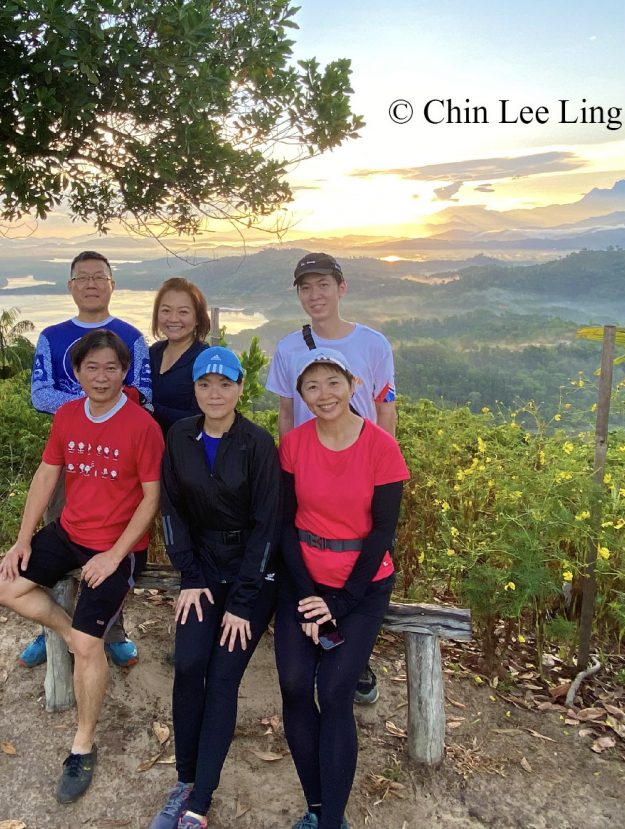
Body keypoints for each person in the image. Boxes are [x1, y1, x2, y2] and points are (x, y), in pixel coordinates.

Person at [0, 329, 164, 804]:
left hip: (118, 545)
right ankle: (70, 634)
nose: (102, 376)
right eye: (92, 367)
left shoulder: (142, 425)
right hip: (69, 533)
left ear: (124, 371)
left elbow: (151, 499)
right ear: (78, 372)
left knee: (91, 646)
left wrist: (113, 554)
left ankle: (82, 744)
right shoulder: (67, 415)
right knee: (0, 584)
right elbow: (47, 474)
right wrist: (23, 540)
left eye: (111, 367)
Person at [274, 347, 408, 829]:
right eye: (311, 386)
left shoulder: (380, 447)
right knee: (292, 684)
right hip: (303, 582)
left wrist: (340, 601)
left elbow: (382, 531)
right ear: (301, 395)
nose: (323, 394)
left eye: (332, 382)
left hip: (361, 588)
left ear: (353, 385)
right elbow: (286, 525)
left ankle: (334, 818)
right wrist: (310, 596)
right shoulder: (293, 445)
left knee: (333, 692)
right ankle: (315, 806)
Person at [147, 346, 280, 829]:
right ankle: (183, 780)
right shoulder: (181, 435)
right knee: (188, 664)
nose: (215, 392)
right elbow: (172, 511)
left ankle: (200, 802)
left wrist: (243, 603)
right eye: (206, 384)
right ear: (195, 389)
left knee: (223, 675)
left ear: (241, 388)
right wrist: (190, 575)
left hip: (252, 575)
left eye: (225, 384)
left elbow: (269, 526)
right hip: (202, 569)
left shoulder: (258, 443)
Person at [264, 251, 397, 705]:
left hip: (362, 473)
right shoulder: (287, 348)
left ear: (342, 288)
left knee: (365, 558)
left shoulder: (374, 345)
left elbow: (385, 409)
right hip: (308, 471)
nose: (314, 294)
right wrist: (290, 469)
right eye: (305, 287)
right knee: (308, 560)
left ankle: (355, 658)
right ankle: (315, 641)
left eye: (323, 285)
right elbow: (285, 412)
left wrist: (382, 466)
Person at [19, 250, 152, 669]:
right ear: (71, 285)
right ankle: (55, 628)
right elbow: (39, 394)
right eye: (83, 277)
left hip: (119, 460)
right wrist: (94, 403)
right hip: (68, 456)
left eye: (100, 277)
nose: (91, 284)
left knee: (113, 548)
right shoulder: (52, 335)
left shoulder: (130, 337)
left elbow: (143, 395)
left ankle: (111, 630)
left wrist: (101, 405)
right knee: (59, 541)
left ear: (112, 284)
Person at [149, 277, 211, 434]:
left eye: (183, 311)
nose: (173, 318)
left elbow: (200, 419)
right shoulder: (152, 353)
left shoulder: (205, 360)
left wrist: (148, 407)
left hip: (183, 453)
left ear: (197, 318)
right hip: (146, 449)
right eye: (166, 310)